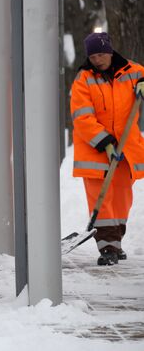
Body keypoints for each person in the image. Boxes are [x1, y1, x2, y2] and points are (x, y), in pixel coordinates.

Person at [70, 32, 144, 266]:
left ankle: (116, 242)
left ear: (110, 52)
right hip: (94, 150)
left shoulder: (134, 72)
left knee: (122, 200)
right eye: (93, 56)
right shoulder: (84, 79)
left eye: (101, 54)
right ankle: (108, 247)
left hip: (126, 149)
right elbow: (81, 116)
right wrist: (105, 142)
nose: (98, 60)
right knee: (101, 200)